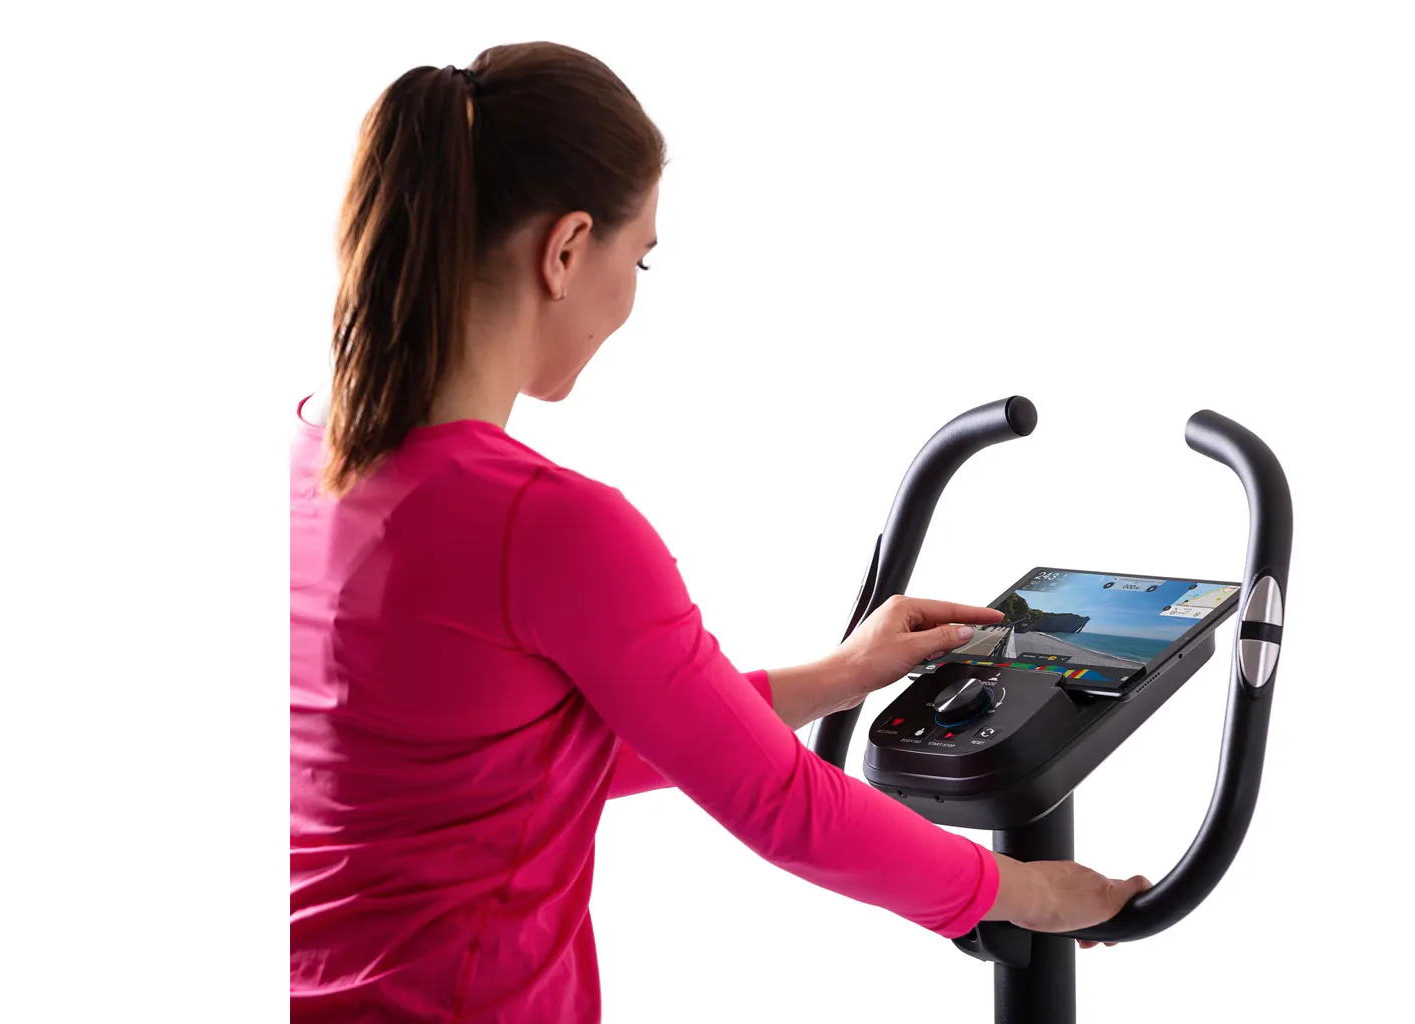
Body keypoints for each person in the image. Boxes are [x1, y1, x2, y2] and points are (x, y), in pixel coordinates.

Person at [290, 41, 1148, 1023]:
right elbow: (781, 805)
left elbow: (508, 759)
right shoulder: (550, 526)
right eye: (640, 257)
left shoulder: (305, 459)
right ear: (566, 250)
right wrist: (1028, 893)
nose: (633, 293)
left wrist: (834, 677)